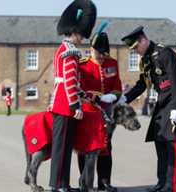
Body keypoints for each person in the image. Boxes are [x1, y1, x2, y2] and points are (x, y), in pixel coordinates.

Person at [120, 26, 176, 192]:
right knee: (160, 143)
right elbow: (142, 84)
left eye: (136, 47)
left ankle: (171, 186)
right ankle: (162, 182)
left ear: (143, 39)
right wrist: (125, 98)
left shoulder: (165, 53)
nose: (135, 51)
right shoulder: (146, 60)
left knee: (172, 144)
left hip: (172, 103)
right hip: (161, 104)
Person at [47, 1, 97, 192]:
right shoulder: (70, 51)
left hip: (62, 101)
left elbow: (72, 81)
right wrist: (76, 105)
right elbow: (69, 80)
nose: (82, 39)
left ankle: (62, 184)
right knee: (61, 148)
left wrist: (84, 95)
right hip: (65, 104)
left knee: (65, 147)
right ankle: (57, 185)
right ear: (75, 32)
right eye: (82, 35)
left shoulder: (64, 49)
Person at [76, 31, 122, 192]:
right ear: (91, 49)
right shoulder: (82, 65)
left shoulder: (112, 63)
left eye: (104, 53)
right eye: (98, 53)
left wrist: (112, 96)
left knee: (106, 146)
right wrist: (95, 97)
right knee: (85, 147)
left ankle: (105, 182)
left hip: (106, 113)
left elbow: (117, 88)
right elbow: (78, 88)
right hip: (88, 112)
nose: (101, 57)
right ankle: (84, 182)